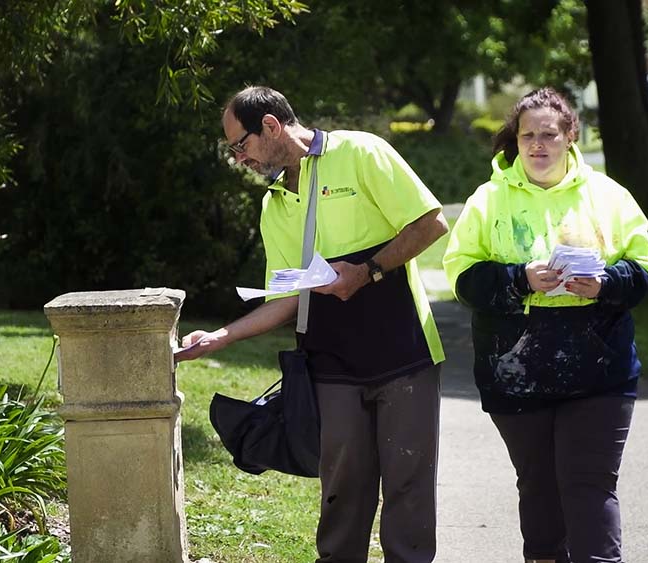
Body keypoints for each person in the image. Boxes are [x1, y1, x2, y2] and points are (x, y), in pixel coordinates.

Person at [175, 86, 448, 563]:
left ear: (272, 126)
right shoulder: (273, 204)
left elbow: (430, 222)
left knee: (409, 492)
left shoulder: (361, 151)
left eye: (241, 145)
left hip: (404, 354)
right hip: (329, 365)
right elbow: (284, 299)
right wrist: (221, 336)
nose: (240, 158)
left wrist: (366, 272)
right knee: (342, 492)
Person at [442, 87, 648, 563]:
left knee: (589, 484)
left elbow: (646, 269)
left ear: (570, 136)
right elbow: (461, 278)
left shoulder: (608, 196)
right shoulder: (487, 200)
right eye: (527, 136)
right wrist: (518, 279)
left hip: (600, 368)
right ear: (515, 141)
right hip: (514, 370)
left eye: (548, 134)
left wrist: (605, 284)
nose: (538, 145)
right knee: (538, 486)